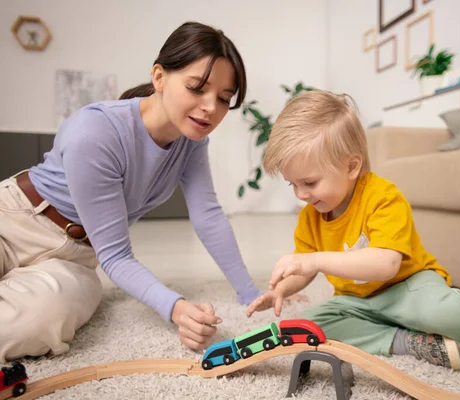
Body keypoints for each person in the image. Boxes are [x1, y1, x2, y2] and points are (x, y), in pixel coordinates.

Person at [246, 89, 460, 390]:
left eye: (309, 183)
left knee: (438, 309)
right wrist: (283, 289)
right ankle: (409, 341)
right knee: (311, 325)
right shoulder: (311, 216)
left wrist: (315, 260)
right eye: (293, 185)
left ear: (352, 167)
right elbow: (304, 267)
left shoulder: (383, 196)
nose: (301, 195)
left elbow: (385, 264)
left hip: (408, 286)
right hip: (357, 300)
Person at [0, 22, 263, 363]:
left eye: (225, 99)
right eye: (198, 88)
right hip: (16, 220)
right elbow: (119, 256)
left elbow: (208, 215)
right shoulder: (94, 132)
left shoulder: (192, 142)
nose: (212, 108)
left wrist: (250, 293)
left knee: (36, 322)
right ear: (159, 77)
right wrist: (176, 308)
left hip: (77, 258)